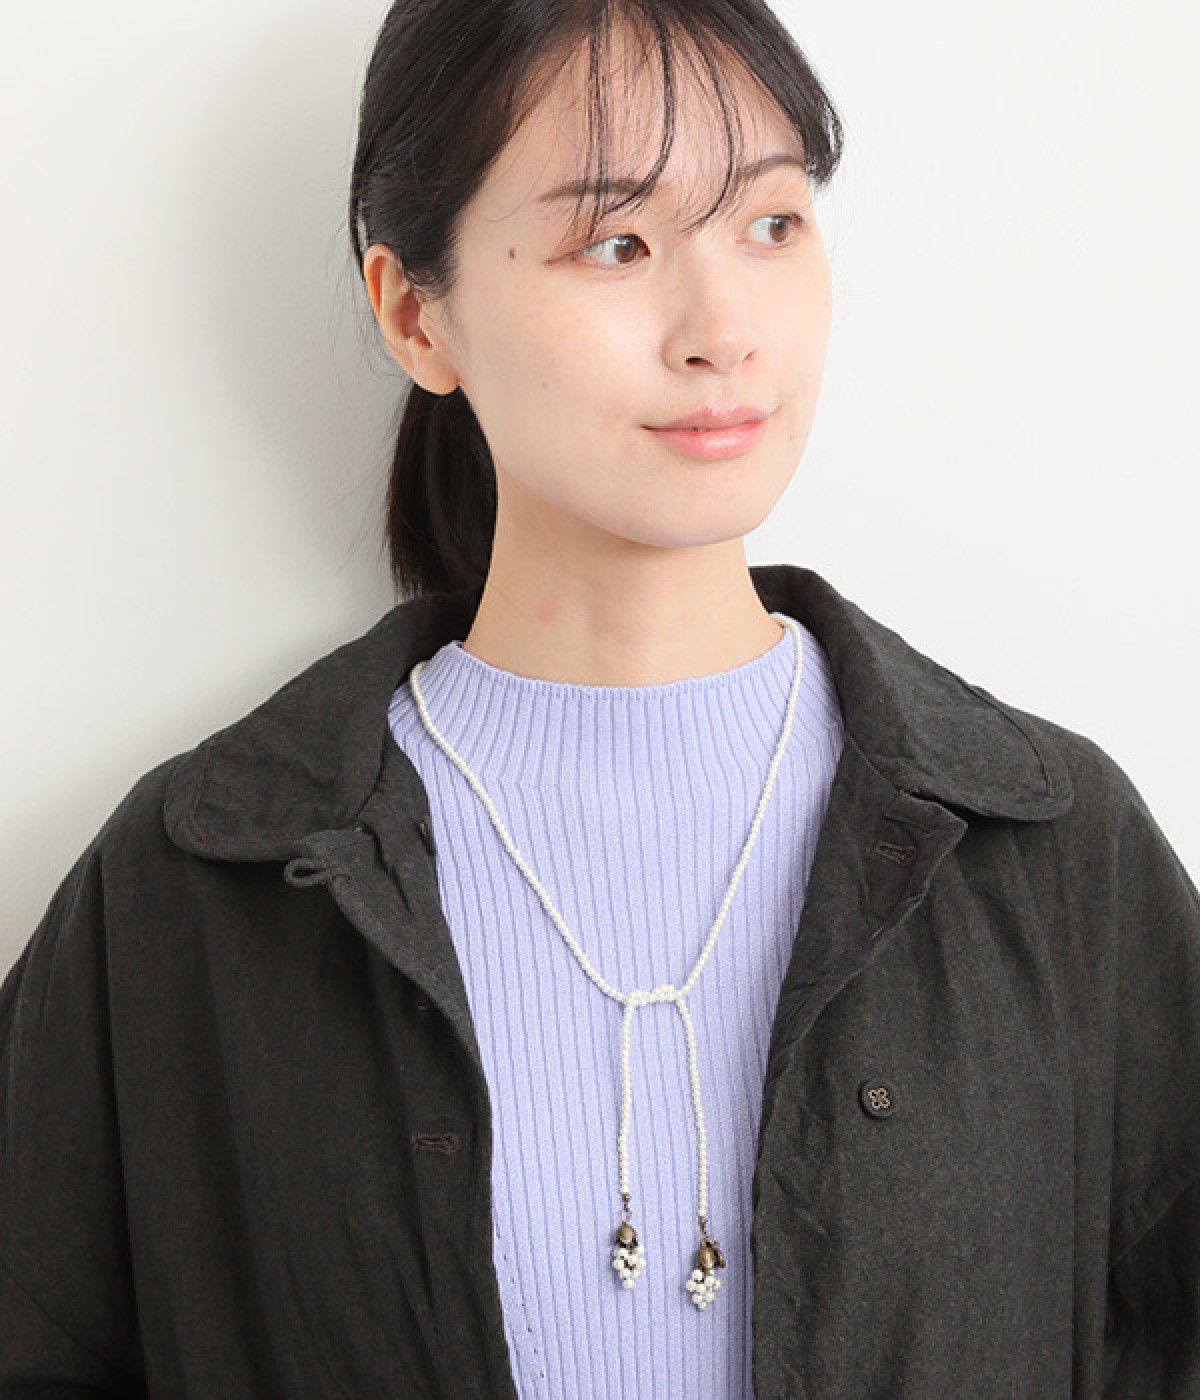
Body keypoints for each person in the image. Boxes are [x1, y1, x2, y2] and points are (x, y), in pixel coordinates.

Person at [1, 0, 1197, 1395]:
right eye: (617, 243)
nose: (722, 329)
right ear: (415, 313)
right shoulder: (197, 891)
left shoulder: (1053, 859)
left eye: (772, 223)